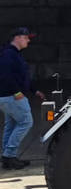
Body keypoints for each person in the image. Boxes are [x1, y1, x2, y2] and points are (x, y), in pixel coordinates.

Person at [0, 27, 44, 169]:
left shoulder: (14, 54)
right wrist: (16, 92)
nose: (28, 41)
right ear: (17, 38)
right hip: (12, 96)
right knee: (26, 122)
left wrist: (34, 90)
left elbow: (21, 76)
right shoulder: (9, 55)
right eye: (26, 38)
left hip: (8, 96)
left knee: (11, 125)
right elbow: (5, 75)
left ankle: (8, 157)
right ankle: (9, 155)